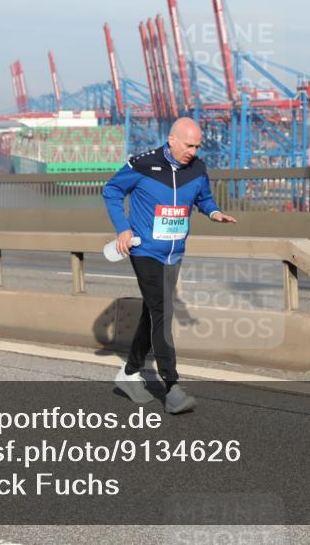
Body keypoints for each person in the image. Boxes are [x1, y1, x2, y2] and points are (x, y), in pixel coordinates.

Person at [102, 118, 237, 414]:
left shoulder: (197, 169)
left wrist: (214, 213)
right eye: (189, 145)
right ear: (172, 140)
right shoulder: (142, 165)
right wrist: (122, 228)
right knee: (163, 310)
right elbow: (111, 191)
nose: (194, 151)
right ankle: (172, 387)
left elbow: (204, 198)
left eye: (198, 146)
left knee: (153, 312)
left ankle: (129, 373)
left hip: (174, 254)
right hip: (145, 251)